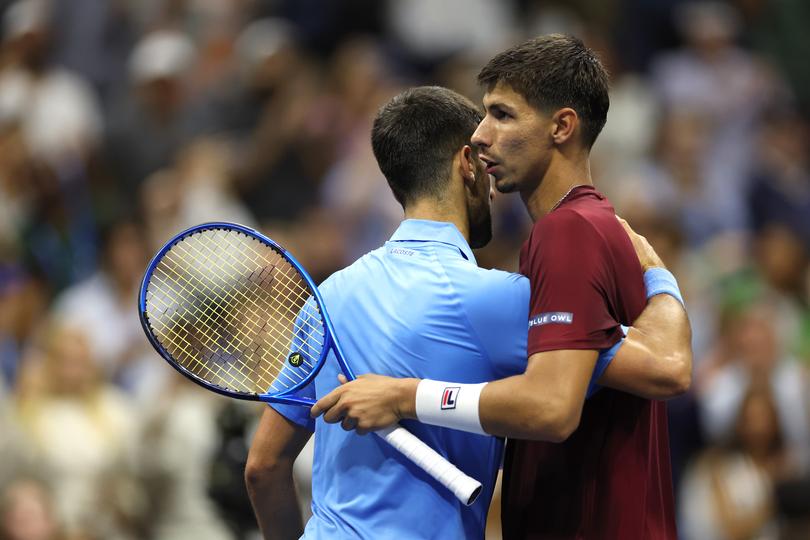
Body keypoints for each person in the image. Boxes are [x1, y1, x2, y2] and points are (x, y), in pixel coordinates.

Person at [247, 85, 687, 539]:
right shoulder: (500, 299)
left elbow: (263, 468)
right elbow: (666, 367)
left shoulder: (329, 297)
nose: (494, 187)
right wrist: (656, 274)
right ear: (465, 165)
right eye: (484, 161)